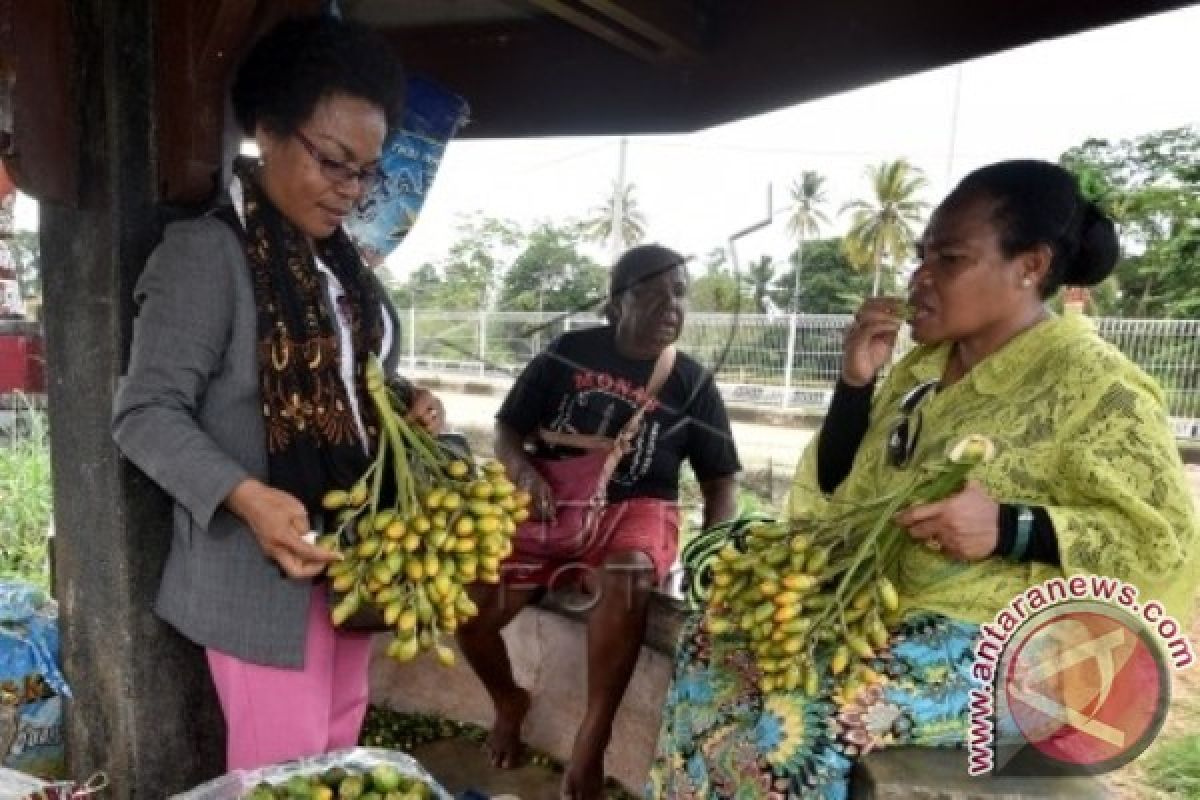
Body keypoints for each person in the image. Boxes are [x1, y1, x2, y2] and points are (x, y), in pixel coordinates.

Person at [648, 160, 1199, 797]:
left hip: (1011, 650)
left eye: (950, 259)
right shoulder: (922, 369)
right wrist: (856, 385)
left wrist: (1010, 527)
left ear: (1031, 266)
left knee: (815, 716)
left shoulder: (1098, 386)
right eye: (921, 256)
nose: (920, 278)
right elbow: (842, 488)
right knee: (713, 641)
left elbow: (1160, 542)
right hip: (885, 616)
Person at [111, 16, 442, 771]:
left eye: (366, 172)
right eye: (332, 162)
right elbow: (143, 412)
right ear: (266, 131)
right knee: (281, 779)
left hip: (351, 569)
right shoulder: (207, 258)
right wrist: (246, 496)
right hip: (259, 586)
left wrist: (405, 402)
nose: (351, 191)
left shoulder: (344, 270)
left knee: (338, 763)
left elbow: (354, 382)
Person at [456, 244, 741, 799]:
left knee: (627, 577)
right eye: (652, 291)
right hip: (552, 501)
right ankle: (508, 699)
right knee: (468, 607)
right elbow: (507, 430)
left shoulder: (692, 383)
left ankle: (592, 741)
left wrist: (714, 551)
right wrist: (523, 473)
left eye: (679, 292)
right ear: (615, 303)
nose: (670, 305)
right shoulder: (567, 351)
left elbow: (721, 480)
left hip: (638, 510)